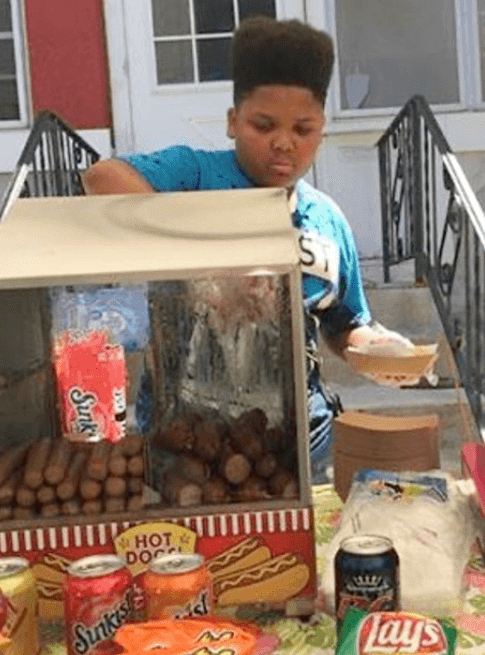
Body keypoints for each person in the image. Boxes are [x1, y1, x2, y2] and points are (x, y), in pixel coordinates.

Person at [82, 17, 407, 482]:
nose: (284, 143)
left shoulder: (327, 221)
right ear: (233, 122)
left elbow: (345, 324)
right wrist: (212, 266)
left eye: (303, 129)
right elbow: (102, 179)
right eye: (263, 125)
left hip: (297, 445)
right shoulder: (193, 176)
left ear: (321, 131)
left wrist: (376, 348)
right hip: (185, 443)